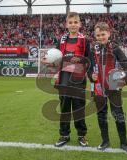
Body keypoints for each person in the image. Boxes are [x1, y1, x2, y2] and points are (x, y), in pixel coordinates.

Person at [42, 12, 91, 147]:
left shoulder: (85, 40)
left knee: (78, 109)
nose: (73, 25)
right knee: (64, 109)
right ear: (66, 25)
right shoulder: (62, 40)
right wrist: (49, 62)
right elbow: (57, 60)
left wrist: (82, 64)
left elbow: (89, 60)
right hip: (63, 79)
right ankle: (64, 135)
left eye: (75, 22)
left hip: (78, 80)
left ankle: (82, 135)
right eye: (71, 22)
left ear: (80, 24)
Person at [90, 22, 127, 154]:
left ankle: (124, 143)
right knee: (101, 115)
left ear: (109, 34)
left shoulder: (115, 48)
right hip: (98, 88)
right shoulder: (93, 49)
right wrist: (90, 76)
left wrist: (122, 81)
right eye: (98, 35)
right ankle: (105, 141)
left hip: (114, 88)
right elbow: (89, 67)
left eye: (103, 34)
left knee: (118, 115)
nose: (100, 37)